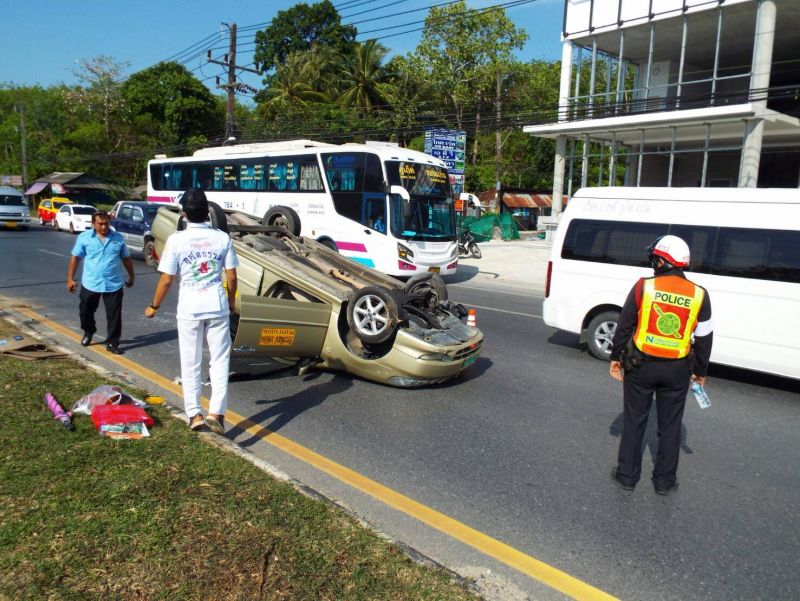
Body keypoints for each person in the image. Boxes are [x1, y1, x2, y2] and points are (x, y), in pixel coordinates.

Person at [608, 235, 713, 495]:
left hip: (641, 365)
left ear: (663, 260)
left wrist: (616, 357)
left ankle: (627, 477)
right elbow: (704, 337)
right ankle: (665, 482)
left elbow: (624, 325)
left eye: (655, 258)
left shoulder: (644, 287)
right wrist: (700, 372)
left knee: (634, 421)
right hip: (677, 369)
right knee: (670, 426)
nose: (652, 262)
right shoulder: (700, 294)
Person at [144, 190, 238, 434]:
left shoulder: (177, 240)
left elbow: (166, 279)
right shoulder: (222, 238)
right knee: (219, 360)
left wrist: (154, 305)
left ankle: (194, 414)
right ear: (208, 211)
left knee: (190, 361)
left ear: (184, 214)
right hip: (216, 305)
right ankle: (217, 412)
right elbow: (232, 276)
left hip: (189, 308)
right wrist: (229, 302)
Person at [66, 210, 135, 354]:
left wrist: (131, 276)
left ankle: (112, 342)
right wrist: (70, 278)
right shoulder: (84, 238)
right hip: (90, 282)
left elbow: (126, 258)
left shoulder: (118, 238)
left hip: (113, 283)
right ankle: (88, 331)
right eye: (100, 224)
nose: (103, 227)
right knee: (85, 311)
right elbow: (76, 258)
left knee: (114, 315)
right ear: (93, 224)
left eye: (106, 224)